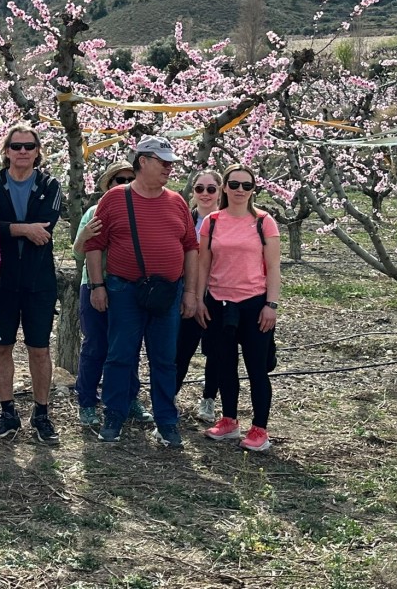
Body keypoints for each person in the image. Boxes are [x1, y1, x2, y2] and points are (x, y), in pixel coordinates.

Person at [84, 135, 199, 448]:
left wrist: (190, 292)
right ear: (143, 161)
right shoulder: (115, 199)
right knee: (121, 355)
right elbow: (94, 245)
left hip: (167, 293)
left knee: (165, 359)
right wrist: (97, 286)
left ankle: (167, 422)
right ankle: (114, 417)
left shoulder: (177, 201)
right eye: (163, 162)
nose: (169, 168)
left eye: (171, 162)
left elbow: (190, 248)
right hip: (124, 290)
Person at [0, 124, 64, 444]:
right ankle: (7, 411)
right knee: (2, 346)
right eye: (16, 146)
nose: (23, 151)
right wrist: (24, 230)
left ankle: (41, 413)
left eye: (29, 146)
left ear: (38, 150)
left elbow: (46, 227)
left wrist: (9, 228)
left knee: (39, 349)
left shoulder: (50, 185)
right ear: (6, 151)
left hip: (38, 280)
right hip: (0, 280)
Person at [197, 164, 281, 452]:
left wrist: (271, 304)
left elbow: (273, 267)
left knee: (257, 367)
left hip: (254, 303)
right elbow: (203, 265)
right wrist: (198, 299)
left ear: (253, 190)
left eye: (246, 186)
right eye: (234, 184)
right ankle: (229, 419)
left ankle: (260, 428)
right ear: (225, 188)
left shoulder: (263, 221)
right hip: (219, 303)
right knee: (224, 365)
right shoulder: (213, 221)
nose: (240, 190)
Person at [71, 160, 154, 428]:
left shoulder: (141, 210)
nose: (125, 184)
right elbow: (77, 253)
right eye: (120, 180)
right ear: (108, 185)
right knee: (95, 346)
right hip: (94, 285)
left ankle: (129, 399)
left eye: (131, 178)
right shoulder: (96, 211)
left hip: (129, 289)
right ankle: (86, 402)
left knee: (127, 347)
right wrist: (83, 236)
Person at [175, 169, 223, 424]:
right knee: (182, 347)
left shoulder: (225, 220)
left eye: (211, 189)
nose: (205, 194)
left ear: (220, 191)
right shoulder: (186, 219)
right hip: (187, 290)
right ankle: (170, 394)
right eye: (199, 189)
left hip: (218, 292)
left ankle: (208, 399)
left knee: (215, 349)